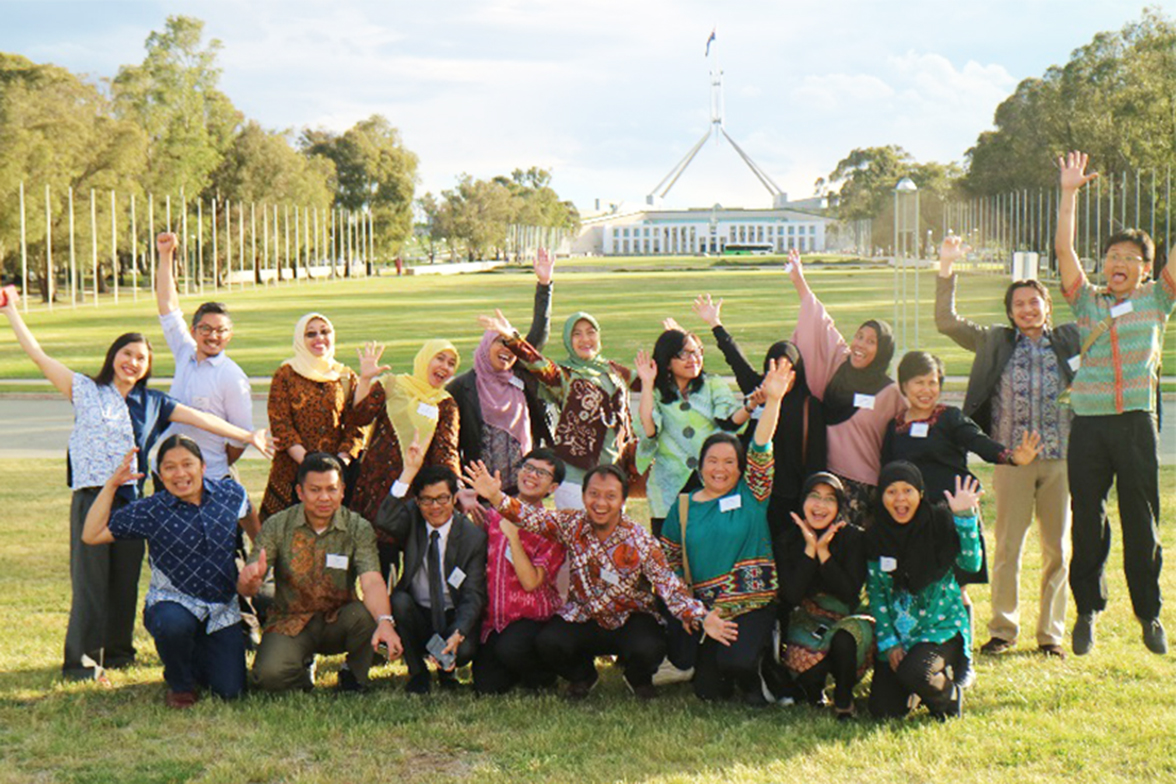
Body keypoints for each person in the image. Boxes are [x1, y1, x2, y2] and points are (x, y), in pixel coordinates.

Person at [0, 291, 270, 681]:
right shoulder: (85, 390)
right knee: (91, 585)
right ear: (113, 356)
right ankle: (83, 663)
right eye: (127, 354)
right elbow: (39, 356)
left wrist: (248, 435)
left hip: (132, 502)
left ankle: (119, 653)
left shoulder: (153, 402)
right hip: (93, 498)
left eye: (141, 358)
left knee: (125, 583)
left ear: (147, 367)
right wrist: (11, 313)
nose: (132, 362)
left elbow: (204, 421)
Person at [468, 463, 738, 700]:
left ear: (623, 501)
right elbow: (532, 518)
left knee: (650, 646)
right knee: (550, 641)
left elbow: (669, 586)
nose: (600, 503)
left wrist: (701, 616)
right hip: (584, 615)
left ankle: (637, 678)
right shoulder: (572, 524)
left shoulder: (640, 540)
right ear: (584, 496)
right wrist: (495, 496)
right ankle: (583, 676)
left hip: (630, 617)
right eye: (594, 494)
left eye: (610, 496)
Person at [935, 235, 1078, 659]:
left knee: (1058, 549)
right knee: (1008, 546)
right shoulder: (995, 341)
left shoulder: (1068, 339)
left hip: (1060, 459)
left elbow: (1106, 324)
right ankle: (1003, 629)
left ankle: (1051, 635)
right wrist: (946, 267)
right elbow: (947, 321)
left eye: (1035, 302)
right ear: (1010, 312)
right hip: (1012, 461)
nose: (1028, 310)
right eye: (1019, 305)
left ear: (1047, 306)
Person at [1056, 151, 1174, 655]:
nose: (1119, 263)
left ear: (1147, 269)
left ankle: (1149, 615)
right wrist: (1068, 195)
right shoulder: (1087, 302)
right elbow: (1063, 249)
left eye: (1130, 258)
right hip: (1089, 426)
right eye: (1112, 256)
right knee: (1088, 520)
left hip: (1135, 425)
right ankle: (1087, 611)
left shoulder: (1157, 300)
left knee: (1141, 519)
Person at [882, 351, 1041, 686]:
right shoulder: (893, 428)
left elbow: (980, 443)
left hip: (953, 519)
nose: (927, 389)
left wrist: (1011, 457)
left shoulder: (950, 419)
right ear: (904, 386)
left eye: (933, 382)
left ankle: (964, 659)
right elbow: (887, 472)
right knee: (913, 589)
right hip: (911, 524)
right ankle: (918, 652)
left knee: (958, 589)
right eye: (918, 382)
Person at [658, 357, 794, 705]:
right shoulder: (684, 505)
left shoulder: (752, 495)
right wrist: (697, 614)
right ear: (701, 466)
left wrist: (774, 400)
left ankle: (763, 662)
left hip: (750, 602)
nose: (720, 469)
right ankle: (732, 662)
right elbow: (669, 561)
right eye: (713, 461)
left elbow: (762, 446)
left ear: (740, 468)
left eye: (729, 462)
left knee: (737, 663)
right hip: (707, 610)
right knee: (708, 691)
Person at [81, 438, 252, 708]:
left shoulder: (230, 494)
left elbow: (249, 516)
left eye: (187, 464)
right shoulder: (151, 510)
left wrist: (257, 559)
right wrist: (112, 485)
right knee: (174, 626)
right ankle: (180, 683)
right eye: (170, 467)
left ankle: (196, 656)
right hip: (174, 603)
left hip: (221, 608)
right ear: (160, 475)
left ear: (203, 466)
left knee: (230, 692)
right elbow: (91, 535)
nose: (180, 474)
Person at [690, 292, 827, 597]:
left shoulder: (810, 406)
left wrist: (811, 503)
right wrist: (715, 324)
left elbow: (817, 460)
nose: (776, 374)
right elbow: (735, 359)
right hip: (754, 497)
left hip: (793, 500)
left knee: (789, 563)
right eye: (771, 366)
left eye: (784, 368)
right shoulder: (758, 393)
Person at [240, 452, 402, 694]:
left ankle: (353, 675)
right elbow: (250, 586)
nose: (324, 497)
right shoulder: (277, 525)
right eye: (315, 490)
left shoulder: (358, 527)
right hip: (291, 619)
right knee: (268, 677)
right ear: (300, 492)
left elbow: (372, 582)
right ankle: (301, 671)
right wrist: (249, 582)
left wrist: (385, 622)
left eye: (331, 489)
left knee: (368, 616)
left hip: (339, 619)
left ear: (343, 491)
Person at [786, 248, 905, 528]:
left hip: (864, 486)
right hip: (826, 481)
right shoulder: (839, 361)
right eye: (859, 336)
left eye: (871, 341)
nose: (860, 345)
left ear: (884, 350)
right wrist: (799, 282)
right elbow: (819, 322)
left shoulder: (891, 393)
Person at [480, 309, 633, 511]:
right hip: (577, 479)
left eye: (590, 332)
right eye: (576, 334)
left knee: (610, 540)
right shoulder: (564, 375)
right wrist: (512, 339)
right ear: (568, 341)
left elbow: (652, 379)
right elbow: (537, 364)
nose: (585, 339)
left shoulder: (613, 370)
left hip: (613, 476)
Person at [866, 463, 983, 720]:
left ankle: (949, 697)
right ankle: (918, 690)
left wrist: (965, 519)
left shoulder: (939, 522)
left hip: (940, 630)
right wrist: (889, 643)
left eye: (907, 490)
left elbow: (971, 564)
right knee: (883, 711)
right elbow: (877, 595)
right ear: (881, 497)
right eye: (891, 491)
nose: (899, 499)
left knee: (916, 671)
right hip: (900, 635)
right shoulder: (876, 535)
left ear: (920, 493)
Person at [375, 446, 488, 695]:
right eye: (427, 500)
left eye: (442, 499)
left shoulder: (472, 537)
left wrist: (459, 632)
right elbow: (384, 520)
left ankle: (448, 672)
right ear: (417, 501)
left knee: (466, 649)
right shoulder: (413, 518)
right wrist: (408, 473)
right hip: (418, 612)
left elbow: (473, 594)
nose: (435, 507)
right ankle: (418, 674)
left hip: (452, 612)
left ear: (455, 498)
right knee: (399, 601)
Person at [348, 339, 462, 576]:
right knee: (380, 564)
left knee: (415, 570)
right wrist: (366, 379)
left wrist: (456, 487)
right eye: (439, 358)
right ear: (424, 359)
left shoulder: (445, 404)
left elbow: (446, 452)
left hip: (416, 494)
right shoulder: (392, 384)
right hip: (378, 488)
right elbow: (359, 416)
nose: (445, 367)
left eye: (451, 363)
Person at [448, 254, 556, 494]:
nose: (507, 351)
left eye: (512, 346)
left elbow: (537, 337)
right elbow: (450, 442)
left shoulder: (522, 378)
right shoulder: (463, 386)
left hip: (524, 490)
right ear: (486, 346)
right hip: (482, 493)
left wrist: (545, 285)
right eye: (500, 342)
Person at [154, 232, 255, 484]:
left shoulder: (232, 377)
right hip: (168, 475)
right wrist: (165, 255)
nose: (213, 336)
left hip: (208, 479)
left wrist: (212, 463)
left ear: (230, 335)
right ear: (193, 331)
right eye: (206, 329)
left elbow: (241, 437)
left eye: (221, 330)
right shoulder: (184, 352)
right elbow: (168, 307)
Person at [465, 449, 567, 695]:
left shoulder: (551, 528)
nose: (532, 475)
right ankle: (514, 670)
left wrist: (513, 537)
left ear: (552, 488)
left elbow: (531, 583)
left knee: (511, 648)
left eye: (541, 473)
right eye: (528, 467)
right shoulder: (491, 516)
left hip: (531, 621)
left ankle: (544, 676)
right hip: (494, 623)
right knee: (486, 687)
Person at [633, 327, 750, 537]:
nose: (693, 359)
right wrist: (648, 384)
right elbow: (648, 428)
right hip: (668, 487)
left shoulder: (713, 385)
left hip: (711, 481)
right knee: (669, 556)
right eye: (684, 354)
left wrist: (749, 407)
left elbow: (730, 422)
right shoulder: (657, 394)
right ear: (667, 361)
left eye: (697, 352)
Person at [779, 473, 873, 719]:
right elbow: (791, 595)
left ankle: (844, 700)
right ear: (803, 500)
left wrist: (824, 554)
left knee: (844, 639)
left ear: (839, 505)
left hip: (848, 617)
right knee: (809, 677)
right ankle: (815, 687)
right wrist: (810, 550)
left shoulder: (854, 537)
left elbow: (849, 591)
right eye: (814, 497)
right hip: (809, 620)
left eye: (829, 499)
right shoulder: (789, 540)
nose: (820, 506)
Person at [261, 313, 365, 521]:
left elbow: (357, 425)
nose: (319, 338)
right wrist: (310, 464)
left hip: (336, 478)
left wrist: (339, 464)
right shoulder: (286, 375)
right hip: (292, 474)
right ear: (300, 339)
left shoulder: (344, 376)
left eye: (324, 332)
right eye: (311, 334)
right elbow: (281, 424)